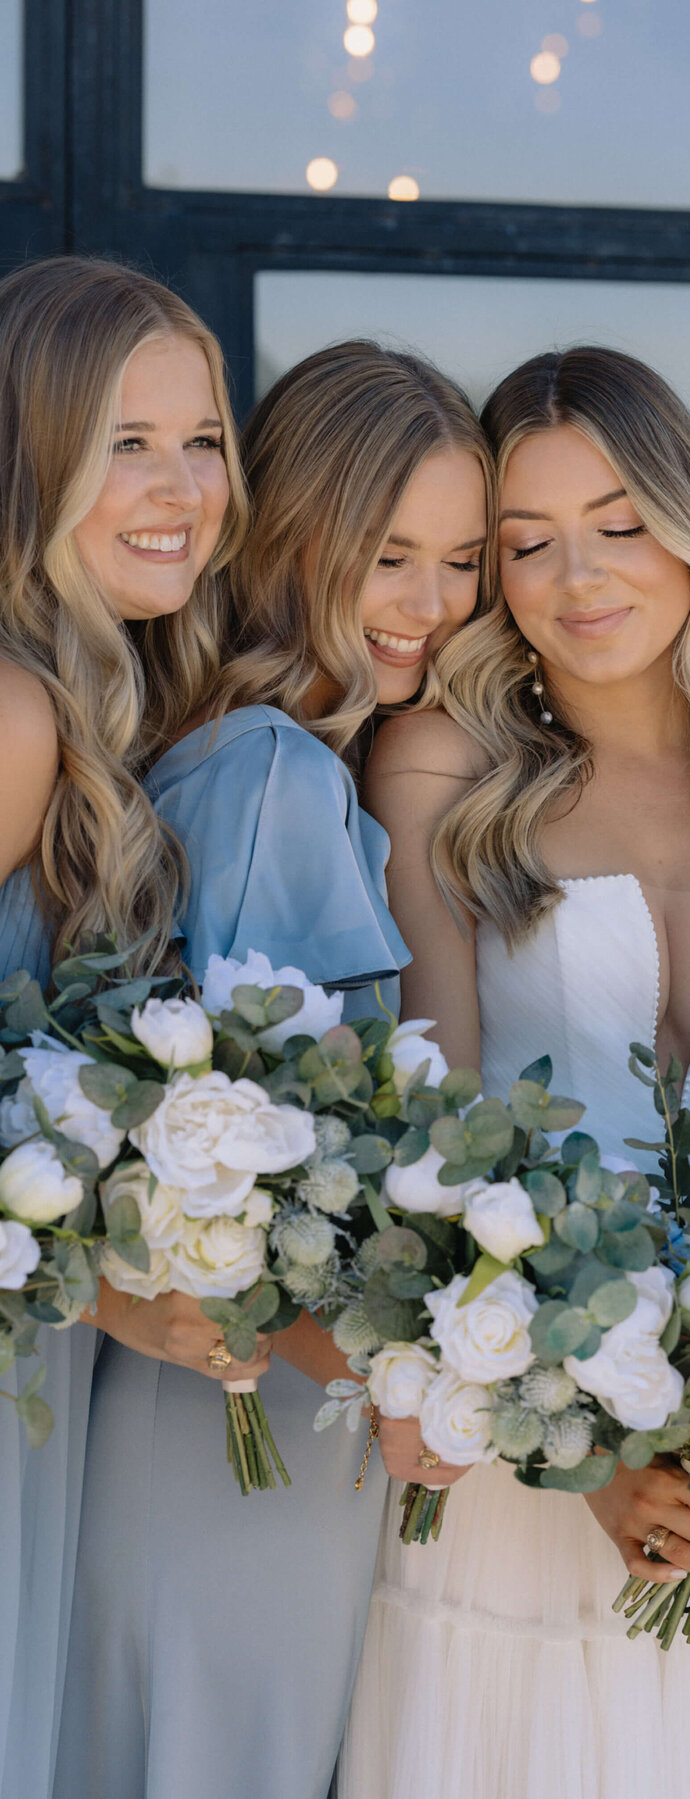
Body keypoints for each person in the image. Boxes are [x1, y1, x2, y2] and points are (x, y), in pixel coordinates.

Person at [342, 346, 690, 1799]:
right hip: (527, 1463)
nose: (578, 576)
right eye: (525, 543)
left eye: (619, 523)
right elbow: (438, 1144)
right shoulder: (437, 766)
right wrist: (585, 1459)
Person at [55, 341, 491, 1799]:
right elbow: (252, 1191)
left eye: (463, 560)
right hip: (234, 1428)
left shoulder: (231, 751)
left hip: (216, 1417)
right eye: (388, 555)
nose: (430, 605)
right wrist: (433, 1382)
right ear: (297, 533)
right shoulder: (271, 775)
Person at [0, 253, 250, 1799]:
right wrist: (99, 1293)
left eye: (203, 437)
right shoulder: (19, 711)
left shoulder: (103, 706)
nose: (179, 488)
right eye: (122, 444)